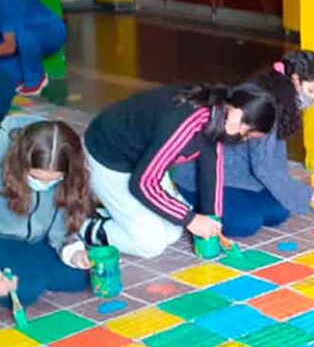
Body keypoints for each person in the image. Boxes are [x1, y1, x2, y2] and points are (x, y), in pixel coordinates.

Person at [80, 81, 279, 258]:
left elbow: (211, 171)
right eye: (246, 135)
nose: (241, 140)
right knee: (151, 244)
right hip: (109, 158)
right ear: (237, 115)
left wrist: (213, 218)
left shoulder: (219, 115)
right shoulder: (187, 122)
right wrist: (191, 219)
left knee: (172, 231)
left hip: (144, 161)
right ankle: (84, 227)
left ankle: (110, 210)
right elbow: (142, 184)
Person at [172, 51, 314, 236]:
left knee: (278, 212)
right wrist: (309, 195)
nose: (312, 100)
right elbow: (264, 167)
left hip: (237, 172)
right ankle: (186, 201)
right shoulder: (265, 102)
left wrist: (295, 190)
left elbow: (270, 160)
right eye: (311, 90)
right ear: (295, 79)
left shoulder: (280, 98)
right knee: (244, 224)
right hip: (204, 173)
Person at [0, 116, 93, 308]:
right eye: (35, 177)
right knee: (24, 291)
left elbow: (63, 226)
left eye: (54, 179)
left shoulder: (70, 179)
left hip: (39, 239)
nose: (44, 185)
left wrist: (72, 250)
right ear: (20, 163)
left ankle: (28, 270)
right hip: (4, 238)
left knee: (83, 278)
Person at [0, 0, 67, 96]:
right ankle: (19, 77)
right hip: (18, 39)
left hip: (51, 33)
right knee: (7, 79)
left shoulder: (6, 1)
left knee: (23, 32)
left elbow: (9, 47)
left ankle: (36, 80)